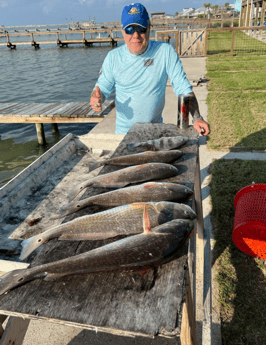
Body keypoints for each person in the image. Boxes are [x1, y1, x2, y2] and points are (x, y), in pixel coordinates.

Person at [90, 2, 210, 136]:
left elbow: (183, 87)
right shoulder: (113, 57)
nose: (135, 35)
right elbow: (101, 89)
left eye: (140, 29)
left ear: (149, 28)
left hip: (155, 131)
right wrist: (97, 99)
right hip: (124, 134)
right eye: (130, 30)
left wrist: (197, 117)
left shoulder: (165, 52)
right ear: (122, 31)